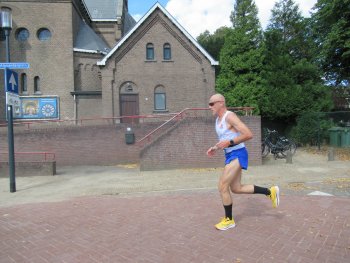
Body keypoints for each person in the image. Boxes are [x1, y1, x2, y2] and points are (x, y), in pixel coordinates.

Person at [206, 93, 279, 231]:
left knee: (222, 186)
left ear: (221, 102)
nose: (209, 107)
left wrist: (230, 142)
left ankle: (229, 220)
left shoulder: (230, 116)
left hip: (238, 154)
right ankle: (270, 192)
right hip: (229, 155)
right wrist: (215, 147)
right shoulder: (218, 120)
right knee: (236, 188)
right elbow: (225, 140)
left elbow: (248, 134)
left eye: (212, 104)